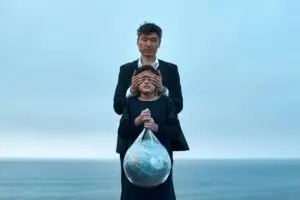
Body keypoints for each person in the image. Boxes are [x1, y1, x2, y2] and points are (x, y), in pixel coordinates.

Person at [117, 65, 189, 200]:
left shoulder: (166, 102)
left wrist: (157, 128)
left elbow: (175, 131)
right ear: (135, 83)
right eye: (142, 79)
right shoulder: (130, 103)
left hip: (159, 164)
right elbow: (122, 131)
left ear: (158, 83)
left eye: (151, 79)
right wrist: (137, 121)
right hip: (135, 164)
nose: (146, 82)